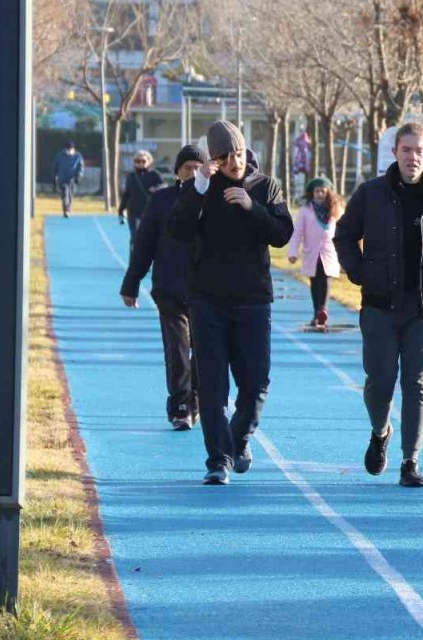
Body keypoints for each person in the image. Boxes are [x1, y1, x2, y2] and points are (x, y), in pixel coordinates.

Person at [334, 122, 423, 488]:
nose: (413, 157)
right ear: (395, 152)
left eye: (419, 150)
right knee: (379, 383)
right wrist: (359, 272)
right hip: (379, 306)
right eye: (406, 149)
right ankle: (380, 432)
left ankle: (411, 460)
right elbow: (344, 235)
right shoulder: (371, 193)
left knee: (417, 383)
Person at [170, 121, 293, 486]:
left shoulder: (265, 186)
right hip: (207, 301)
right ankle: (218, 459)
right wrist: (199, 187)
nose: (233, 163)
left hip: (253, 300)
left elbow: (282, 234)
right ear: (214, 159)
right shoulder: (200, 188)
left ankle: (238, 438)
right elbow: (178, 230)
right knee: (212, 386)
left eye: (237, 154)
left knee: (256, 383)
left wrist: (252, 207)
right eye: (224, 158)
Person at [119, 144, 208, 432]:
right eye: (188, 168)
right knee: (178, 352)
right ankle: (180, 406)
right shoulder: (161, 200)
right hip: (170, 288)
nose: (193, 173)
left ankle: (196, 399)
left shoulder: (216, 201)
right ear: (177, 172)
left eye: (199, 168)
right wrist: (131, 283)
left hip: (208, 293)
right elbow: (144, 244)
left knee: (205, 353)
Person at [288, 176, 343, 327]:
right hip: (311, 253)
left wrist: (346, 254)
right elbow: (297, 233)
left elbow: (344, 232)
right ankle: (316, 312)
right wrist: (293, 252)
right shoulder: (305, 211)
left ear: (328, 192)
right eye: (317, 191)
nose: (320, 194)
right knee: (314, 282)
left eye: (323, 191)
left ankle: (322, 310)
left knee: (325, 280)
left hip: (329, 252)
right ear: (312, 193)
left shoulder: (336, 210)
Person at [119, 150, 164, 238]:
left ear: (149, 161)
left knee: (150, 236)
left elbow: (164, 186)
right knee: (135, 235)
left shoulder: (154, 175)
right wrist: (121, 210)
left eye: (143, 161)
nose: (140, 163)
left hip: (149, 210)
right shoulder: (131, 176)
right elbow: (126, 194)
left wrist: (155, 189)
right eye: (137, 161)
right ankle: (134, 247)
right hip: (133, 211)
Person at [53, 141, 84, 218]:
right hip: (62, 179)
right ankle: (66, 210)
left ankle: (68, 210)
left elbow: (81, 167)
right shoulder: (60, 156)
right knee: (65, 193)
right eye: (68, 149)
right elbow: (55, 166)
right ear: (65, 149)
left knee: (70, 195)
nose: (70, 150)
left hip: (72, 180)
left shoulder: (78, 156)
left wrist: (79, 176)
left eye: (71, 149)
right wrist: (54, 176)